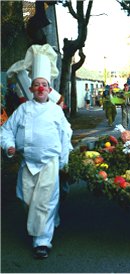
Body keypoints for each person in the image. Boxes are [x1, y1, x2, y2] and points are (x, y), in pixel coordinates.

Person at [1, 44, 73, 260]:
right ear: (31, 89)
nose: (40, 88)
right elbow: (5, 130)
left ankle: (42, 242)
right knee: (25, 198)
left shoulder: (55, 111)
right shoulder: (22, 110)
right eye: (36, 85)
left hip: (49, 162)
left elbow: (65, 135)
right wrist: (9, 146)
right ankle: (49, 221)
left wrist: (63, 161)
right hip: (28, 163)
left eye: (44, 85)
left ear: (49, 90)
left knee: (45, 200)